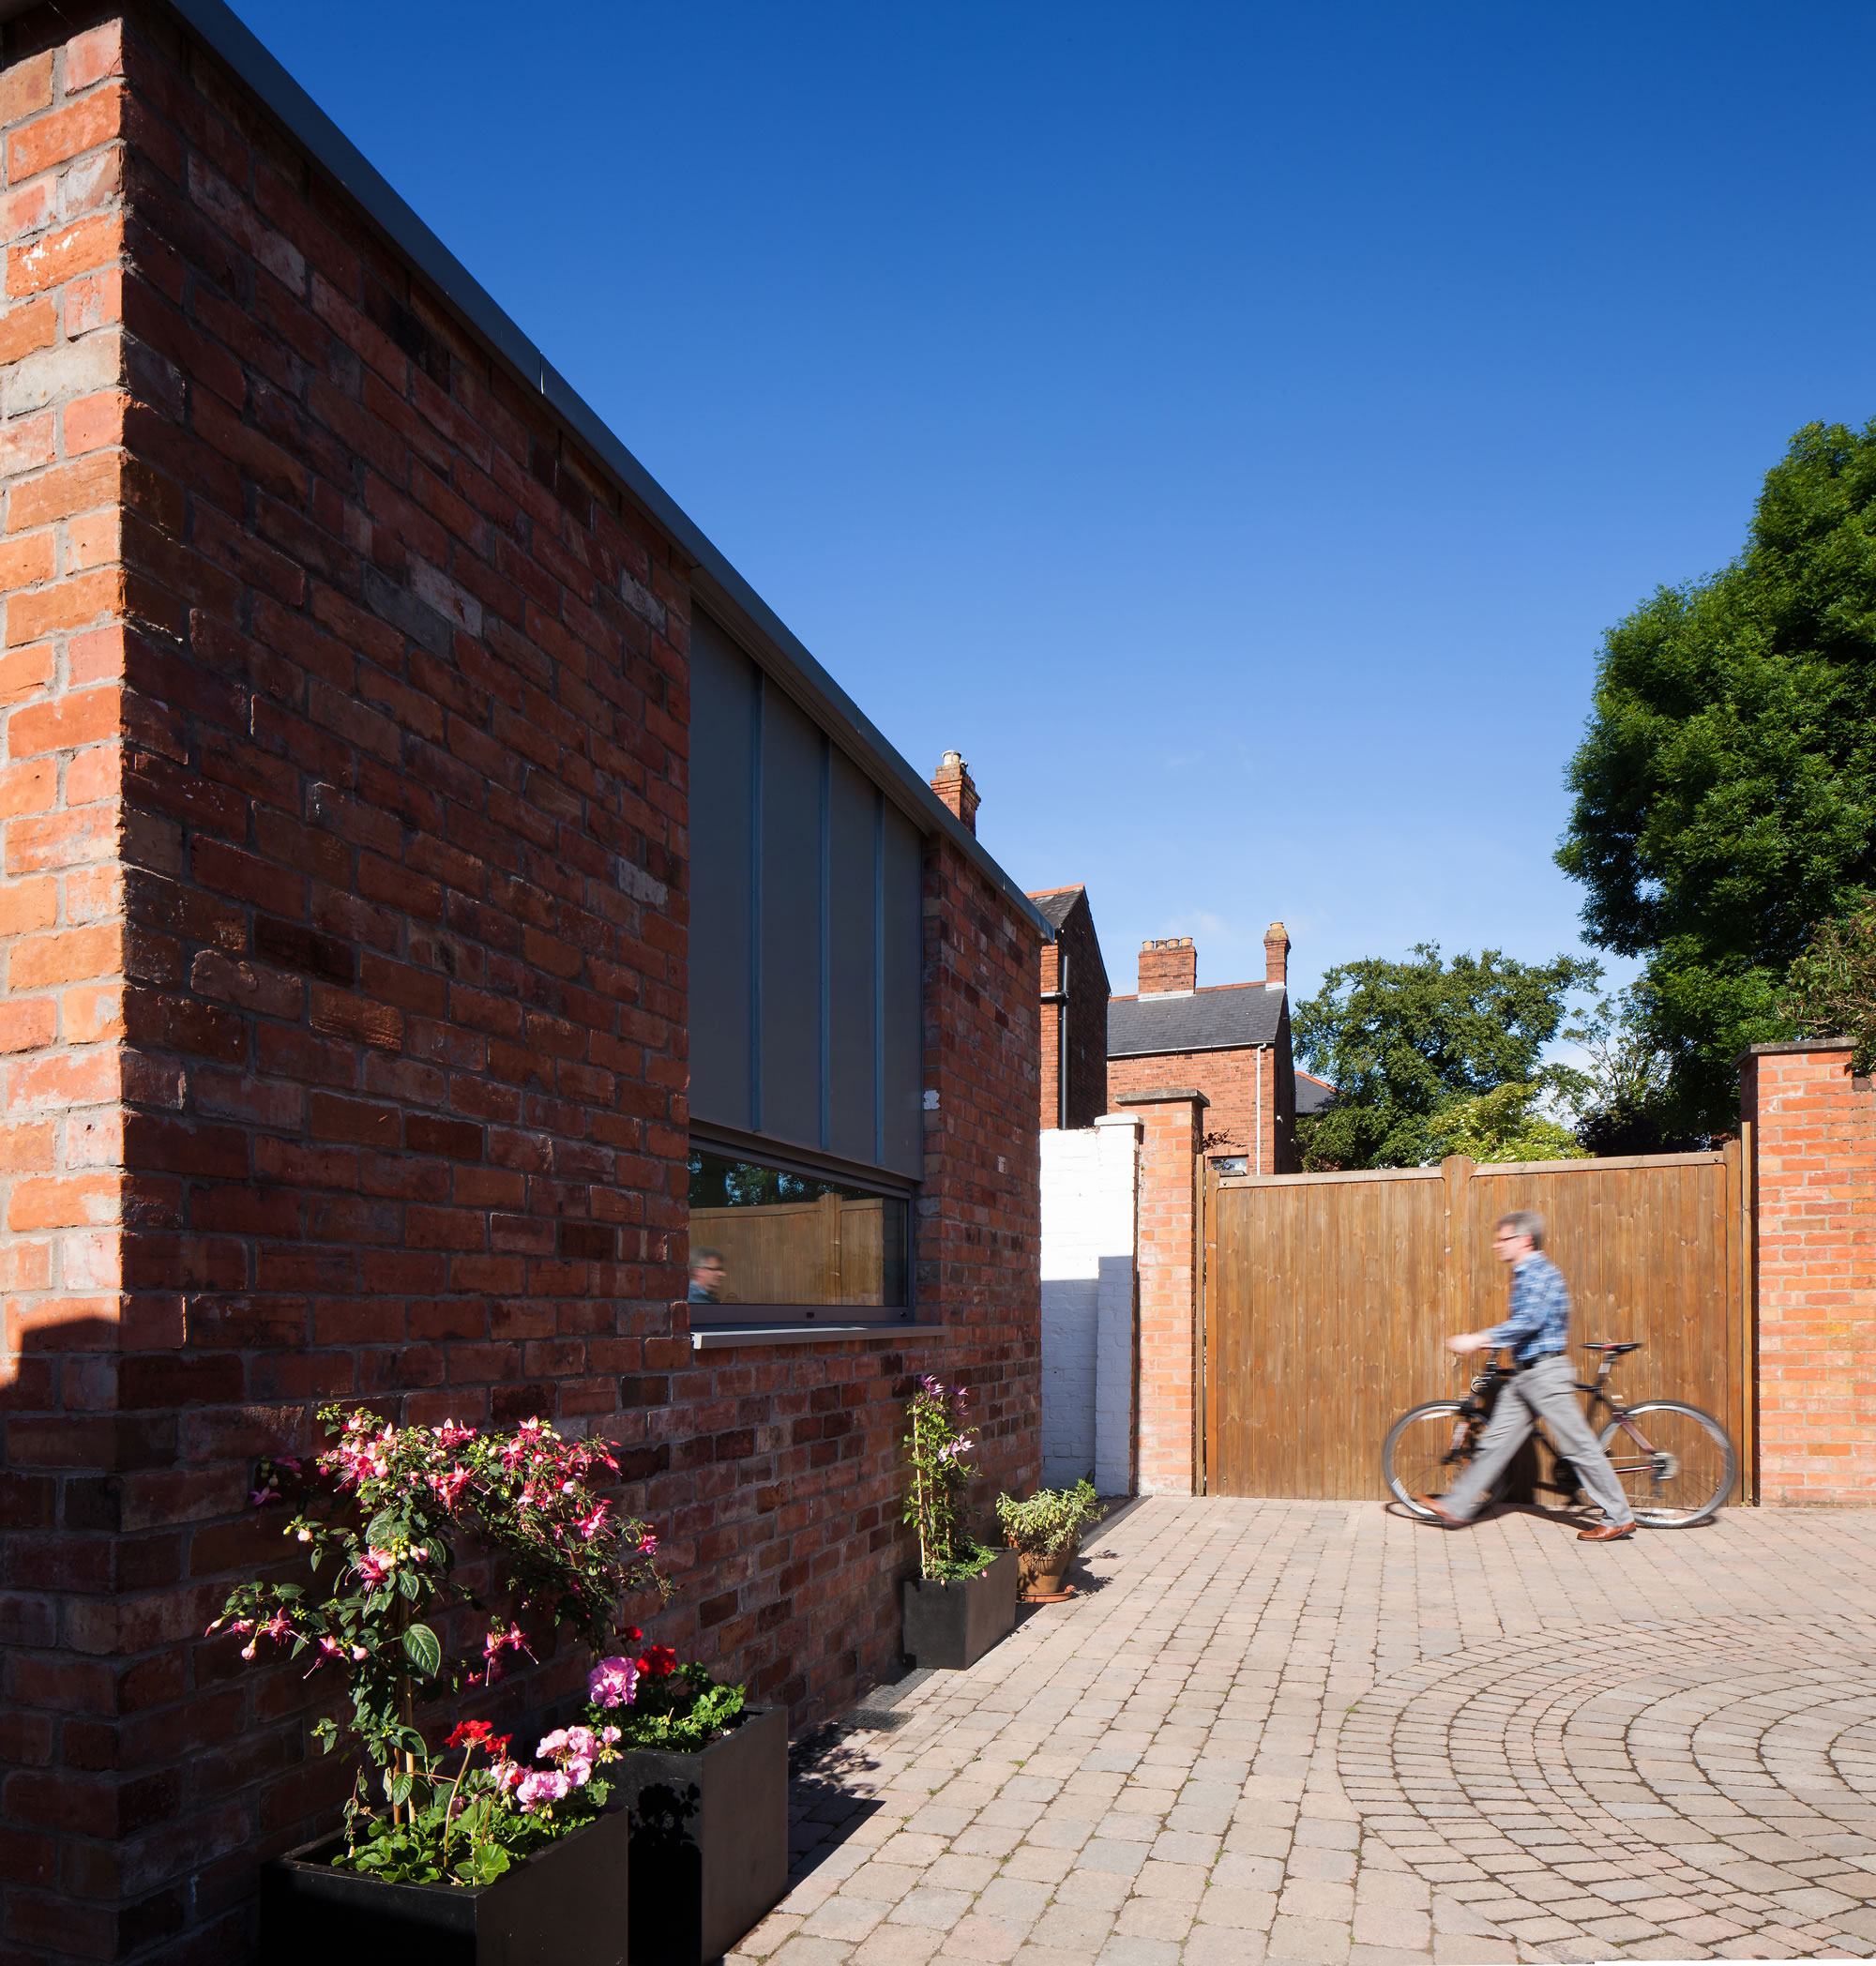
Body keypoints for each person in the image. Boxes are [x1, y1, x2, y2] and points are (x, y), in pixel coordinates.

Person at [1415, 1210, 1637, 1543]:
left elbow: (1529, 1321)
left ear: (1524, 1240)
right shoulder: (1525, 1274)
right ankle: (1458, 1506)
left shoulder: (1537, 1273)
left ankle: (1619, 1517)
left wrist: (1480, 1338)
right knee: (1494, 1443)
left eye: (1502, 1239)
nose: (1496, 1245)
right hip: (1525, 1377)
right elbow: (1527, 1327)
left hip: (1545, 1374)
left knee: (1577, 1446)